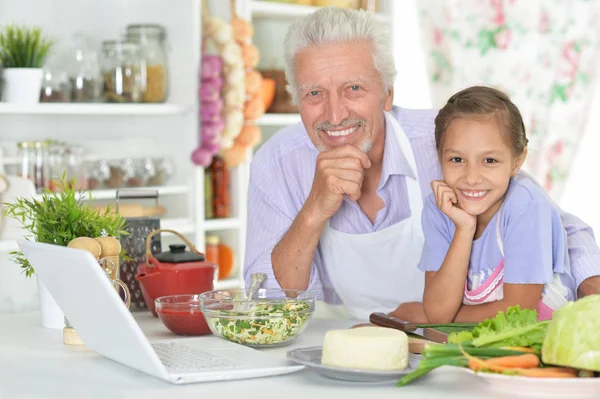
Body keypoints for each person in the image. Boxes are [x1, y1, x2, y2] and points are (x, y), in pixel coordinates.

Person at [243, 6, 600, 321]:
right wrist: (313, 212)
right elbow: (267, 304)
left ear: (387, 94)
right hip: (349, 345)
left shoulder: (449, 143)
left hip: (452, 345)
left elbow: (557, 227)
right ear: (296, 99)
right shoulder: (276, 164)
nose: (335, 115)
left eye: (354, 89)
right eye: (314, 93)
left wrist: (591, 291)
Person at [420, 86, 575, 324]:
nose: (471, 177)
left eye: (489, 160)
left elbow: (519, 313)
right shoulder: (439, 208)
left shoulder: (527, 206)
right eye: (457, 159)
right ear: (439, 156)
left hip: (538, 337)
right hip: (479, 337)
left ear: (517, 161)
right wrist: (464, 228)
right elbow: (438, 312)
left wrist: (434, 317)